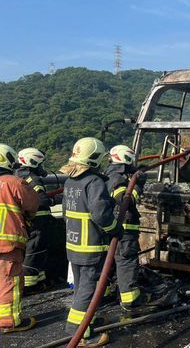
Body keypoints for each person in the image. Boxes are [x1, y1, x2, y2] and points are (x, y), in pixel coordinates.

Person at [60, 137, 123, 347]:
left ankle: (86, 321)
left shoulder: (70, 180)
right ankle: (78, 331)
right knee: (88, 288)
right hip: (90, 245)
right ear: (95, 158)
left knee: (80, 286)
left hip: (73, 244)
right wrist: (114, 228)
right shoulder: (94, 182)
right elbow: (100, 214)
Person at [104, 145, 150, 311]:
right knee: (126, 261)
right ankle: (130, 298)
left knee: (108, 262)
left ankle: (104, 293)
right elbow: (125, 202)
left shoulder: (108, 174)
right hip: (124, 229)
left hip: (111, 228)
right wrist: (138, 185)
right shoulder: (118, 179)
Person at [0, 143, 39, 334]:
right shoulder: (13, 182)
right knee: (10, 281)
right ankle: (10, 322)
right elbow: (32, 203)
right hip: (8, 243)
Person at [15, 148, 59, 292]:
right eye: (40, 164)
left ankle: (38, 282)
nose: (41, 168)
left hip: (28, 222)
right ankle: (29, 285)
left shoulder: (18, 176)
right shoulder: (33, 179)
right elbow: (42, 200)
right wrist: (58, 199)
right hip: (38, 223)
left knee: (33, 252)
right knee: (34, 252)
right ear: (32, 162)